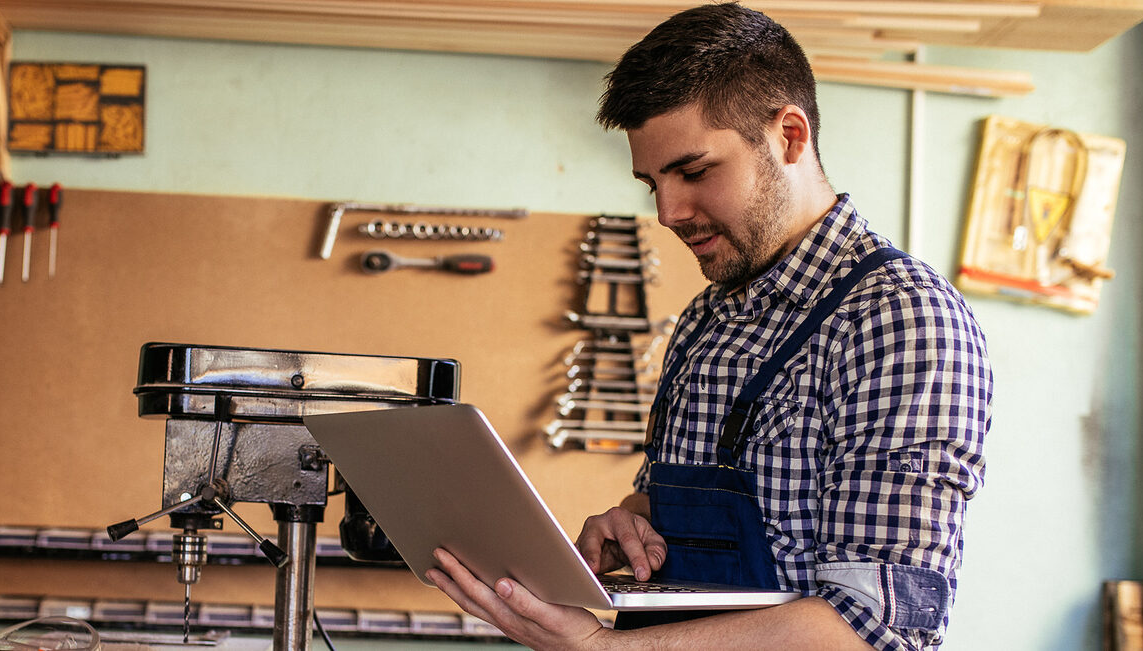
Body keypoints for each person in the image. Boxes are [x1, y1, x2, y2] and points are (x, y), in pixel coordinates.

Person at [424, 3, 993, 650]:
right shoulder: (706, 317)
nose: (668, 211)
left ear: (789, 136)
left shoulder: (899, 320)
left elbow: (879, 627)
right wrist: (635, 522)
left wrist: (608, 647)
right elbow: (704, 511)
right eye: (652, 182)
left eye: (694, 171)